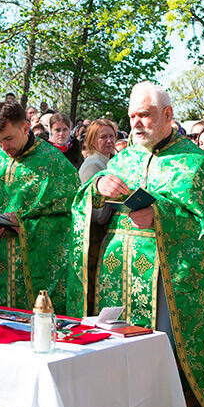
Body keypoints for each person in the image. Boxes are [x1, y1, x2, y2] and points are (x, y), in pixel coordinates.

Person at [67, 82, 204, 407]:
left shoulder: (196, 164)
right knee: (116, 349)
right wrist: (97, 187)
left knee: (164, 355)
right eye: (132, 116)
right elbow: (86, 205)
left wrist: (159, 215)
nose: (136, 123)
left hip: (167, 279)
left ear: (167, 115)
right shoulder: (124, 158)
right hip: (118, 271)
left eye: (145, 115)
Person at [0, 101, 79, 314]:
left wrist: (22, 225)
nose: (3, 147)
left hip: (33, 270)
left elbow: (71, 218)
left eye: (9, 139)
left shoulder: (54, 163)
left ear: (25, 127)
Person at [75, 119, 117, 315]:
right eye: (103, 137)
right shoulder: (93, 165)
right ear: (92, 141)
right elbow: (96, 213)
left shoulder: (109, 161)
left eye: (111, 136)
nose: (109, 140)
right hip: (94, 238)